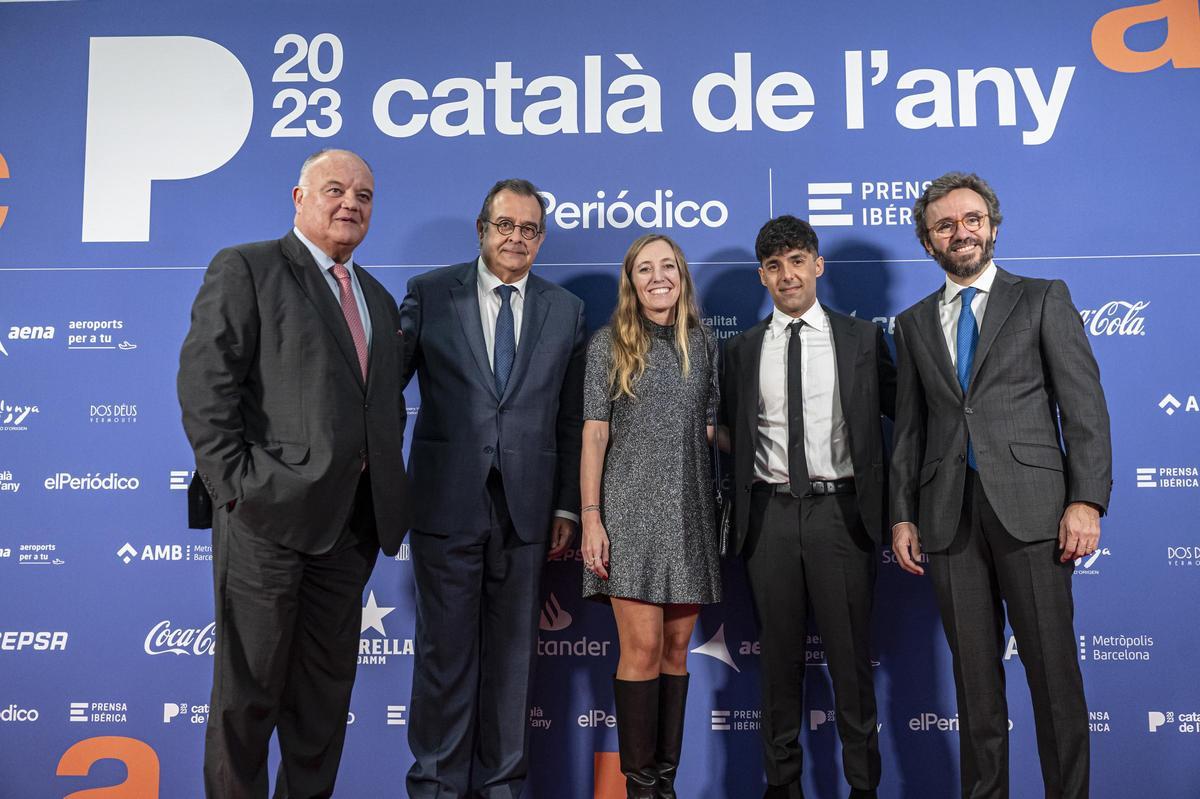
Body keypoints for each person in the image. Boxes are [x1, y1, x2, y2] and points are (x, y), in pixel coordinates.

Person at [177, 148, 411, 799]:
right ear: (299, 197)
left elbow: (381, 407)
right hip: (265, 522)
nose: (351, 204)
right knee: (246, 703)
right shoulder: (248, 267)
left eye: (364, 195)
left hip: (350, 532)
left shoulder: (377, 298)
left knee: (321, 712)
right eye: (334, 189)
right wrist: (239, 490)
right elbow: (206, 386)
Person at [890, 172, 1112, 798]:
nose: (961, 232)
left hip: (1037, 512)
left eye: (971, 220)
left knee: (1053, 677)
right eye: (945, 225)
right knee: (975, 684)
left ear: (991, 225)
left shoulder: (1043, 297)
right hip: (947, 518)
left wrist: (1086, 500)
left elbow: (1084, 408)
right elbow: (909, 429)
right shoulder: (910, 324)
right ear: (927, 241)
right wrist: (903, 514)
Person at [399, 178, 586, 799]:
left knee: (513, 666)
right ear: (482, 230)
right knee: (443, 661)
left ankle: (503, 789)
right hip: (446, 505)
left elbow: (567, 416)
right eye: (505, 225)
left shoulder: (564, 310)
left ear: (541, 239)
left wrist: (566, 503)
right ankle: (435, 788)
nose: (516, 238)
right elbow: (379, 394)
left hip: (528, 513)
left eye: (529, 229)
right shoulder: (430, 294)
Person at [719, 216, 895, 799]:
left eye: (797, 261)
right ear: (762, 276)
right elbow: (728, 434)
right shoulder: (740, 351)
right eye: (773, 266)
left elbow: (911, 418)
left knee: (850, 665)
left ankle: (864, 788)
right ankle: (782, 788)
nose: (786, 274)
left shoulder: (863, 340)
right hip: (767, 516)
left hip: (842, 514)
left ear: (818, 265)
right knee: (777, 668)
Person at [579, 233, 721, 799]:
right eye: (645, 268)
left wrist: (783, 440)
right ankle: (639, 788)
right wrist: (592, 517)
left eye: (668, 266)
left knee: (675, 653)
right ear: (631, 281)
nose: (658, 276)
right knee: (638, 651)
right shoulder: (608, 344)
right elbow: (594, 434)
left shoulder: (705, 344)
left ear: (682, 276)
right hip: (630, 513)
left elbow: (710, 430)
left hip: (690, 513)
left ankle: (665, 784)